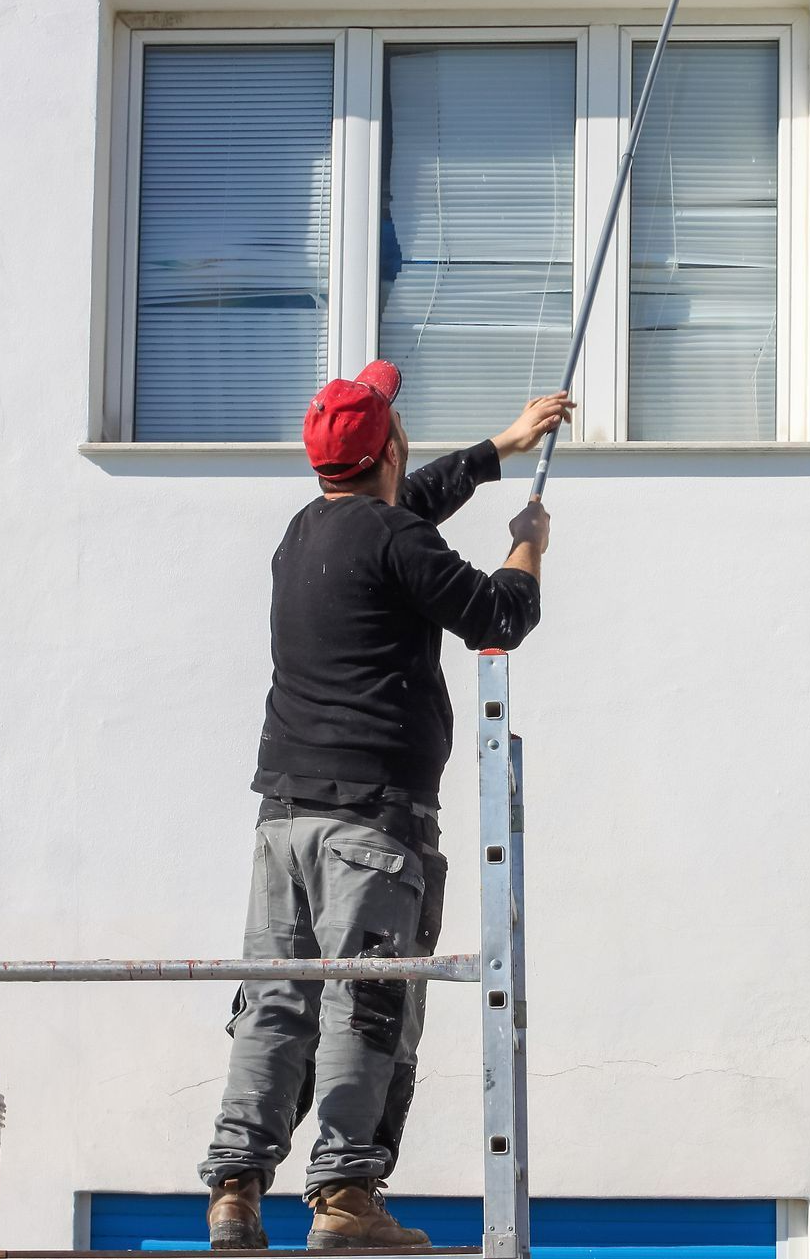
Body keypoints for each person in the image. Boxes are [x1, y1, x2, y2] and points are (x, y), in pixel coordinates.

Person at [201, 360, 568, 1250]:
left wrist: (496, 449)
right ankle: (345, 1199)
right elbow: (497, 618)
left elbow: (400, 517)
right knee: (364, 1006)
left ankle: (236, 1191)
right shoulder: (394, 540)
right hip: (371, 824)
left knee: (275, 1003)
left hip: (283, 821)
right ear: (390, 447)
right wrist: (527, 544)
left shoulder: (305, 532)